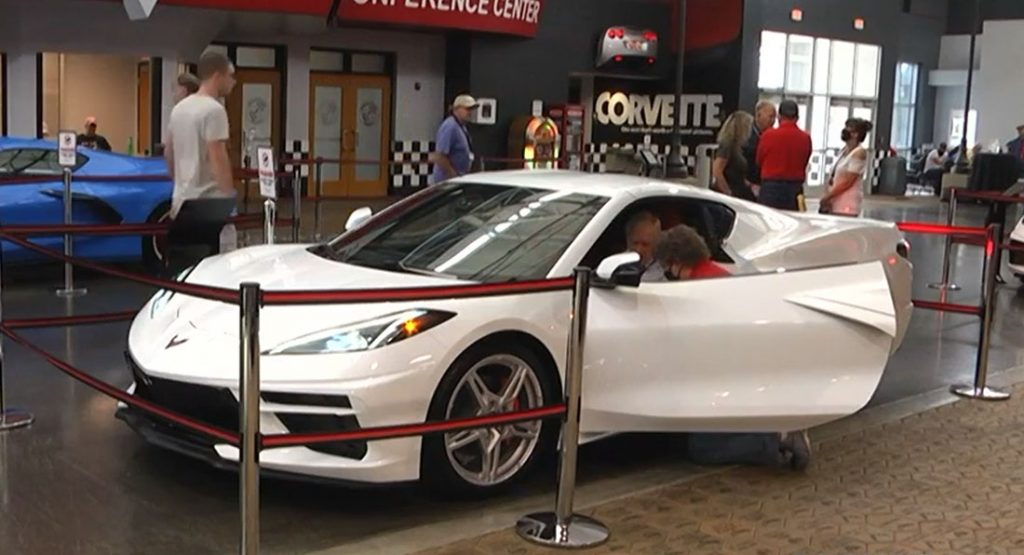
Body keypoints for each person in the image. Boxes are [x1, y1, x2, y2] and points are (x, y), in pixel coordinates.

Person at [645, 225, 811, 470]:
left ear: (676, 260)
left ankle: (775, 439)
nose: (668, 272)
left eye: (668, 266)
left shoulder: (699, 289)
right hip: (741, 375)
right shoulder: (717, 274)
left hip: (726, 382)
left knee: (703, 449)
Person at [164, 51, 237, 261]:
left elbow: (169, 152)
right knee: (212, 269)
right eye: (230, 76)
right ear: (217, 76)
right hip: (208, 204)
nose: (233, 82)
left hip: (181, 202)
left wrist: (180, 183)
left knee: (183, 268)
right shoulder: (214, 110)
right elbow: (217, 156)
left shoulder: (179, 109)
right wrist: (229, 200)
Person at [757, 100, 812, 211]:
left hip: (770, 189)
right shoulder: (805, 138)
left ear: (779, 117)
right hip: (795, 189)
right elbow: (805, 161)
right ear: (797, 118)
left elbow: (759, 161)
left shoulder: (768, 135)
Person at [820, 118, 872, 217]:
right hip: (834, 200)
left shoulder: (859, 153)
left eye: (849, 128)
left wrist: (828, 196)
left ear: (856, 134)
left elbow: (848, 181)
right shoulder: (843, 151)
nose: (845, 130)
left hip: (847, 203)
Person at [431, 94, 478, 184]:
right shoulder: (450, 126)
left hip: (459, 178)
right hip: (447, 181)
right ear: (457, 109)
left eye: (472, 109)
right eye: (467, 109)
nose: (470, 112)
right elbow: (440, 156)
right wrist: (453, 176)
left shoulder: (461, 126)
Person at [712, 111, 757, 201]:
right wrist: (728, 193)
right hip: (732, 193)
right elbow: (717, 171)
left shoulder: (739, 147)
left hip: (739, 191)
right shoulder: (727, 145)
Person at [743, 100, 777, 194]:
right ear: (758, 115)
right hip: (747, 183)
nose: (773, 120)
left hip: (766, 184)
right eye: (770, 116)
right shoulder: (746, 134)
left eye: (774, 117)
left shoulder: (774, 136)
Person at [625, 211, 665, 281]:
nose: (638, 249)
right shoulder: (616, 264)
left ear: (655, 246)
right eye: (635, 243)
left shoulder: (661, 276)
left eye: (645, 244)